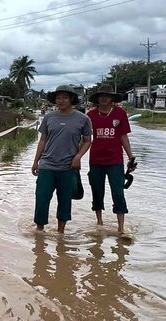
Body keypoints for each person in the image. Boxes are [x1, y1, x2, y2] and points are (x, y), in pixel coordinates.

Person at [31, 84, 93, 233]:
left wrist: (78, 156)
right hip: (47, 165)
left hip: (68, 167)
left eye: (65, 97)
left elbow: (87, 140)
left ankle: (60, 233)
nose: (61, 100)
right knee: (42, 198)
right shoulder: (49, 117)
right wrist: (35, 161)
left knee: (65, 201)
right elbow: (43, 140)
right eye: (58, 98)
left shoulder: (83, 119)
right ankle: (39, 231)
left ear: (71, 99)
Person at [86, 85, 136, 234]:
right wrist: (75, 157)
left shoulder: (120, 113)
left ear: (112, 98)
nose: (104, 98)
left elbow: (123, 136)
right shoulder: (90, 115)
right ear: (97, 99)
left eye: (107, 96)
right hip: (95, 160)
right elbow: (86, 139)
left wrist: (130, 156)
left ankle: (121, 228)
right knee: (97, 191)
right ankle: (99, 222)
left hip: (115, 161)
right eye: (101, 96)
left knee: (118, 192)